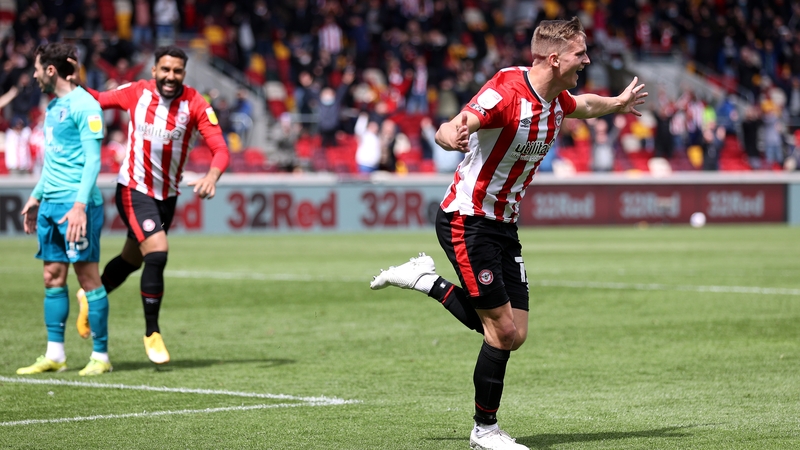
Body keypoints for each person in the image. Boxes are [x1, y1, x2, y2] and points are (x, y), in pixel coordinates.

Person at [370, 17, 647, 450]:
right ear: (554, 59)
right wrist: (450, 135)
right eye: (579, 54)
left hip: (504, 225)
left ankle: (425, 280)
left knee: (515, 333)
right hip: (468, 219)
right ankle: (485, 430)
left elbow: (586, 106)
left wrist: (618, 102)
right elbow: (455, 124)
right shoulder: (506, 92)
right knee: (499, 332)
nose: (587, 60)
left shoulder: (557, 98)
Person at [71, 45, 230, 364]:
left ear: (183, 74)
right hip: (133, 188)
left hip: (166, 197)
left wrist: (213, 176)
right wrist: (74, 81)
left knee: (133, 260)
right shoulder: (137, 93)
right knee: (157, 253)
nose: (171, 76)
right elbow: (99, 99)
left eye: (177, 71)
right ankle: (152, 334)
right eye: (165, 70)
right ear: (154, 70)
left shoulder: (195, 103)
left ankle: (91, 294)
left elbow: (220, 149)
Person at [17, 42, 112, 376]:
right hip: (50, 204)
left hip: (77, 206)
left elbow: (93, 161)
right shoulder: (53, 107)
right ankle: (55, 355)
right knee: (51, 277)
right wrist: (36, 196)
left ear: (51, 70)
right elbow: (52, 161)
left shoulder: (86, 106)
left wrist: (79, 206)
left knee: (88, 278)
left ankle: (100, 356)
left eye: (37, 67)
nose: (34, 74)